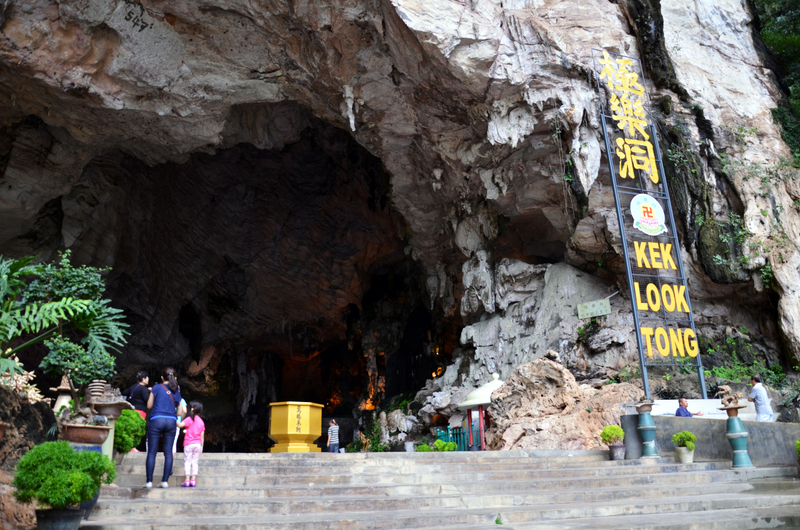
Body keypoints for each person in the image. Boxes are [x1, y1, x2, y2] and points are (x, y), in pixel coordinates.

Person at [144, 367, 184, 489]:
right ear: (174, 377)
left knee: (152, 452)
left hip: (157, 420)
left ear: (162, 377)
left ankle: (149, 481)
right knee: (168, 452)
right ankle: (165, 481)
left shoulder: (156, 388)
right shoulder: (177, 390)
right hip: (171, 421)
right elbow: (179, 412)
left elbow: (149, 405)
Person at [177, 401, 205, 488]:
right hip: (198, 444)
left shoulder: (189, 419)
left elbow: (180, 425)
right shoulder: (201, 422)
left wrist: (173, 418)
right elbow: (202, 436)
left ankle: (187, 480)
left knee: (187, 461)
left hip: (188, 444)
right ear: (200, 411)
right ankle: (193, 480)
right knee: (195, 462)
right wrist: (201, 447)